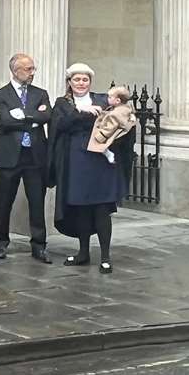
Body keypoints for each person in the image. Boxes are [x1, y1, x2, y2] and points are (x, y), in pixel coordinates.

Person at [51, 64, 133, 274]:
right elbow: (59, 126)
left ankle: (105, 256)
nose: (81, 83)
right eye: (76, 79)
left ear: (90, 82)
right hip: (77, 160)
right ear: (69, 82)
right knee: (81, 209)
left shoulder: (103, 100)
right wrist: (81, 112)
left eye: (85, 80)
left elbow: (122, 115)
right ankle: (83, 252)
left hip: (100, 161)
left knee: (102, 209)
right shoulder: (63, 103)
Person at [0, 53, 53, 264]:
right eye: (28, 69)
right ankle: (0, 243)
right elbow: (5, 120)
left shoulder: (40, 93)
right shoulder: (1, 94)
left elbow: (46, 116)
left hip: (34, 156)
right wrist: (33, 117)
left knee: (37, 201)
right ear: (16, 71)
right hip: (9, 155)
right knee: (4, 202)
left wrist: (24, 114)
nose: (32, 73)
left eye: (33, 68)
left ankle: (39, 245)